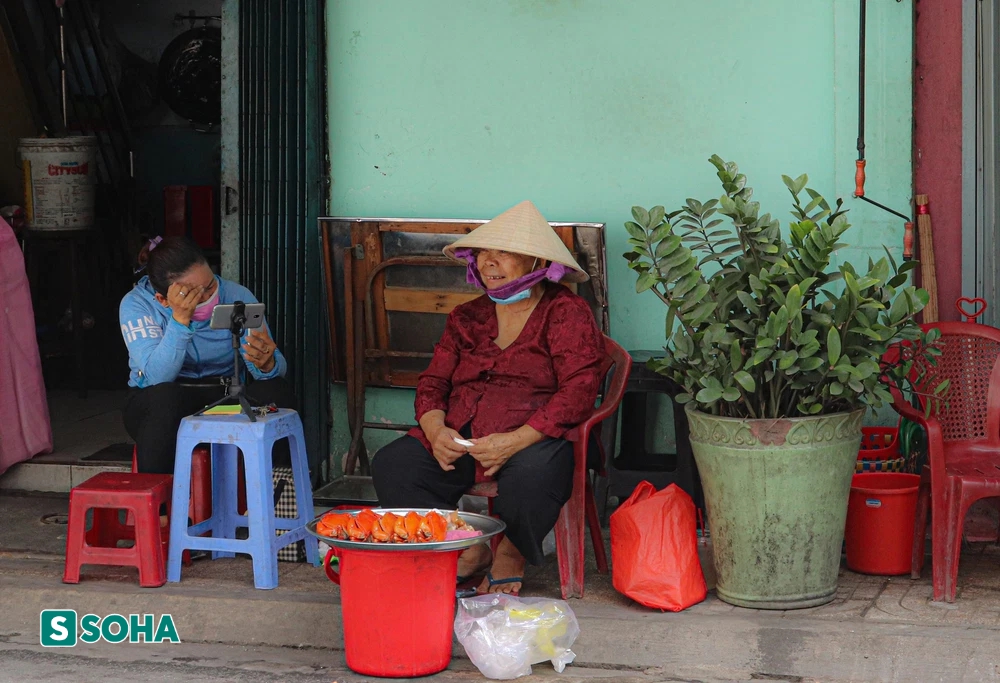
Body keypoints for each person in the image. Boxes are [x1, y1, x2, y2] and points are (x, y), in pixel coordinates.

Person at [372, 200, 605, 595]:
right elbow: (433, 382)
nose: (488, 262)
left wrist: (514, 441)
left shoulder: (566, 312)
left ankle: (510, 553)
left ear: (536, 261)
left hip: (534, 436)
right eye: (482, 252)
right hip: (464, 436)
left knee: (532, 478)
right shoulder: (467, 316)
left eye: (504, 252)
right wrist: (435, 430)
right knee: (395, 465)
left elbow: (579, 389)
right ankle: (470, 549)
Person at [120, 236, 296, 475]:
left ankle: (276, 499)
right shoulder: (138, 305)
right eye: (191, 295)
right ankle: (160, 510)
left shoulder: (236, 295)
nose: (207, 298)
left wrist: (267, 364)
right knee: (165, 398)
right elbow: (157, 376)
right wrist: (180, 321)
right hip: (160, 404)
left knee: (276, 391)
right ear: (163, 299)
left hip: (223, 399)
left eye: (210, 287)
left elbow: (270, 368)